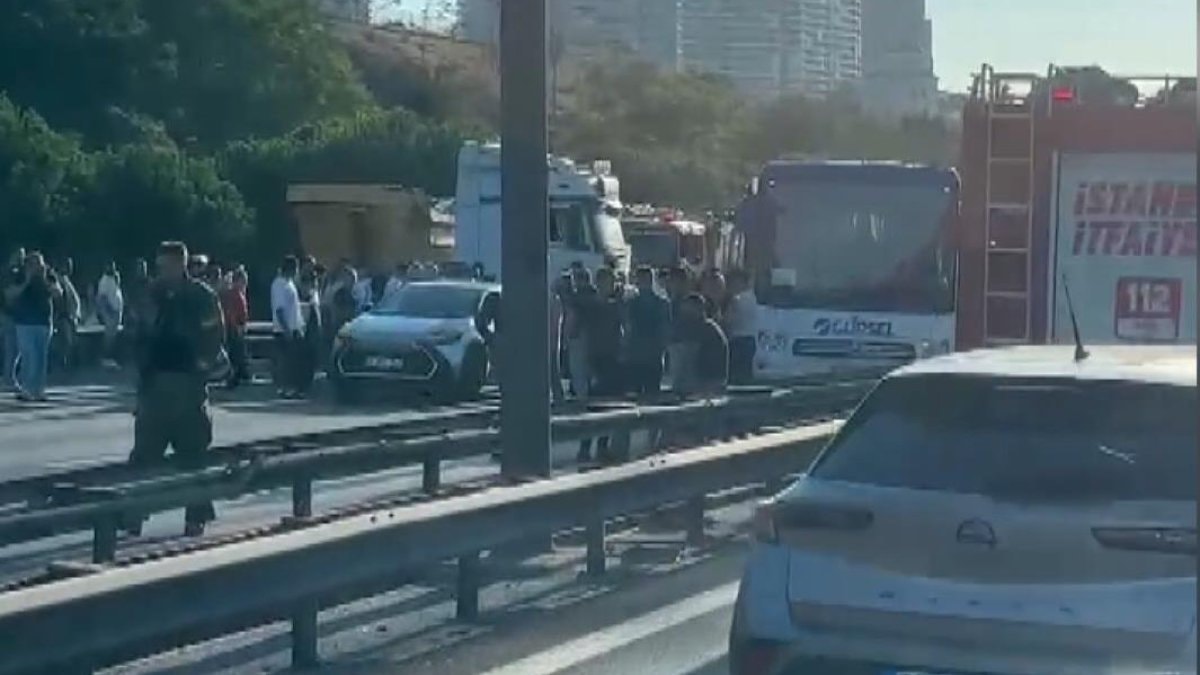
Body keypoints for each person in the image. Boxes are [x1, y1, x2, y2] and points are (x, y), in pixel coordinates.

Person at [128, 241, 224, 537]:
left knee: (193, 455)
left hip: (187, 385)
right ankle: (133, 515)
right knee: (144, 457)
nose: (164, 271)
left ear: (182, 264)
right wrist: (141, 371)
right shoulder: (150, 294)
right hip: (155, 384)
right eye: (161, 266)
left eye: (169, 265)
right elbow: (136, 333)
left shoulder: (201, 296)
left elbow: (215, 335)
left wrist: (200, 369)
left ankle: (196, 516)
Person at [5, 252, 62, 401]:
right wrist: (26, 281)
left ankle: (39, 390)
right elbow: (10, 294)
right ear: (27, 265)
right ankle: (27, 389)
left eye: (39, 264)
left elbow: (58, 293)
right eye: (33, 264)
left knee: (41, 358)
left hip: (44, 322)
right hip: (24, 323)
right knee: (29, 356)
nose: (37, 268)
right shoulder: (20, 275)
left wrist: (46, 281)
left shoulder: (49, 276)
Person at [624, 266, 671, 398]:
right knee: (643, 394)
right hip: (639, 355)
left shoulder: (661, 304)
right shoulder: (632, 304)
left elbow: (665, 329)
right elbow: (628, 327)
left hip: (650, 355)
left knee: (648, 394)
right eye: (641, 279)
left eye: (644, 279)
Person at [678, 293, 729, 397]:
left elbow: (690, 354)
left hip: (709, 383)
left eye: (689, 310)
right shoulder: (703, 327)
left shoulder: (706, 329)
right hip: (707, 381)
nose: (685, 314)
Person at [271, 256, 305, 398]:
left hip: (295, 327)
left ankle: (292, 387)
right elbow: (279, 310)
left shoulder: (290, 283)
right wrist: (286, 330)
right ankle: (285, 388)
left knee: (294, 360)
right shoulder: (279, 284)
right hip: (284, 329)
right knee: (285, 361)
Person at [588, 267, 625, 397]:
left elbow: (623, 322)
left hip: (613, 351)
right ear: (599, 282)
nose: (611, 286)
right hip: (597, 351)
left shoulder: (616, 304)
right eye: (609, 282)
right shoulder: (591, 304)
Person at [563, 266, 597, 402]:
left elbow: (572, 318)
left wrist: (567, 336)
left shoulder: (575, 298)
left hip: (578, 335)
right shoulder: (595, 295)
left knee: (578, 370)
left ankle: (581, 398)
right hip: (593, 336)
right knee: (589, 369)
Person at [725, 269, 758, 384]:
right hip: (751, 340)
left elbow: (728, 320)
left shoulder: (737, 299)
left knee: (736, 375)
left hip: (738, 341)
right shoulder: (754, 298)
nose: (732, 285)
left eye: (734, 281)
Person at [295, 256, 322, 395]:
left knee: (312, 352)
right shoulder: (299, 279)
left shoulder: (314, 278)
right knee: (303, 354)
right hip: (303, 317)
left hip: (313, 316)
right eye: (309, 265)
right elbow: (303, 297)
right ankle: (302, 384)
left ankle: (309, 382)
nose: (311, 268)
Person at [220, 267, 250, 388]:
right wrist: (237, 325)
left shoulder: (237, 293)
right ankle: (234, 377)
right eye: (243, 281)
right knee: (236, 353)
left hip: (237, 326)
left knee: (238, 352)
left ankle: (239, 375)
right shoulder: (234, 294)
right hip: (235, 327)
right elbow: (231, 312)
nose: (245, 284)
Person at [1, 248, 25, 386]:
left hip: (18, 315)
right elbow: (8, 294)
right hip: (8, 314)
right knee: (11, 348)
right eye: (19, 255)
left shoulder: (19, 272)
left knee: (17, 349)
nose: (21, 258)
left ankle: (11, 377)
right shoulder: (8, 273)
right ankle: (8, 378)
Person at [52, 258, 81, 373]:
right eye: (67, 265)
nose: (69, 268)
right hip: (63, 316)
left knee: (71, 342)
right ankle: (61, 364)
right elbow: (61, 299)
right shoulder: (57, 279)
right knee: (66, 341)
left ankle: (67, 364)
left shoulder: (66, 279)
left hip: (71, 316)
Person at [96, 261, 124, 368]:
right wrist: (110, 311)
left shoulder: (114, 278)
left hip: (116, 311)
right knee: (109, 337)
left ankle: (111, 358)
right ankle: (105, 358)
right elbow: (102, 298)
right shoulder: (104, 280)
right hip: (110, 312)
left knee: (113, 336)